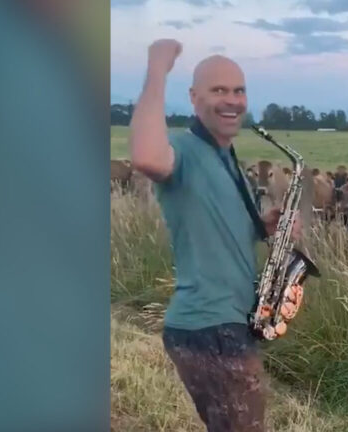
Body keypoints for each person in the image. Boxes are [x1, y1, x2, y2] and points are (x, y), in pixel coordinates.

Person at [129, 38, 300, 432]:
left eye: (239, 90)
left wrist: (263, 226)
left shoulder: (226, 156)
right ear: (193, 97)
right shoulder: (184, 149)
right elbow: (145, 156)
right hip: (210, 328)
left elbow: (213, 224)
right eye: (218, 90)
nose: (232, 100)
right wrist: (157, 67)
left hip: (227, 324)